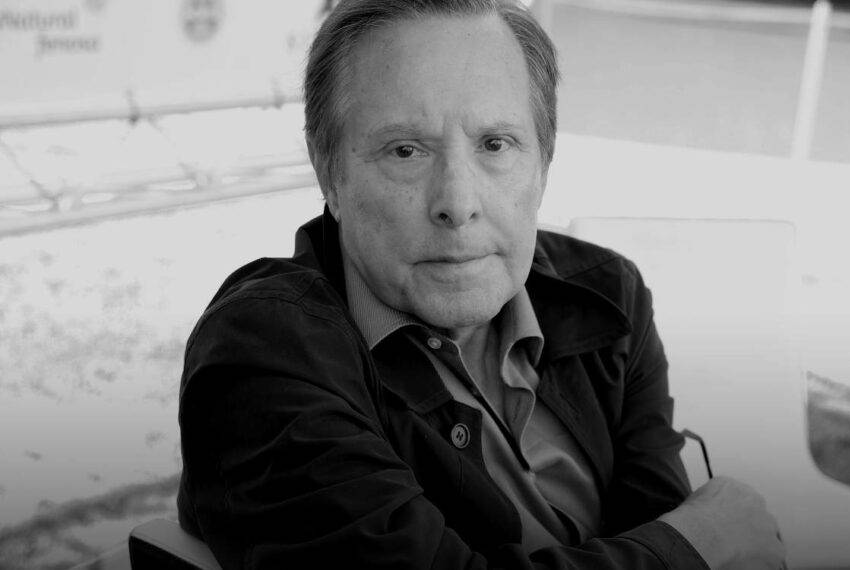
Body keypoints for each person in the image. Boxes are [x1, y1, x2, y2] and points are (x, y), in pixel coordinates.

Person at [176, 0, 785, 568]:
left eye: (495, 144)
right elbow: (687, 538)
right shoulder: (263, 352)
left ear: (543, 164)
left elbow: (654, 518)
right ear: (328, 172)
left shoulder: (610, 296)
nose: (457, 203)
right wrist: (703, 540)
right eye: (406, 150)